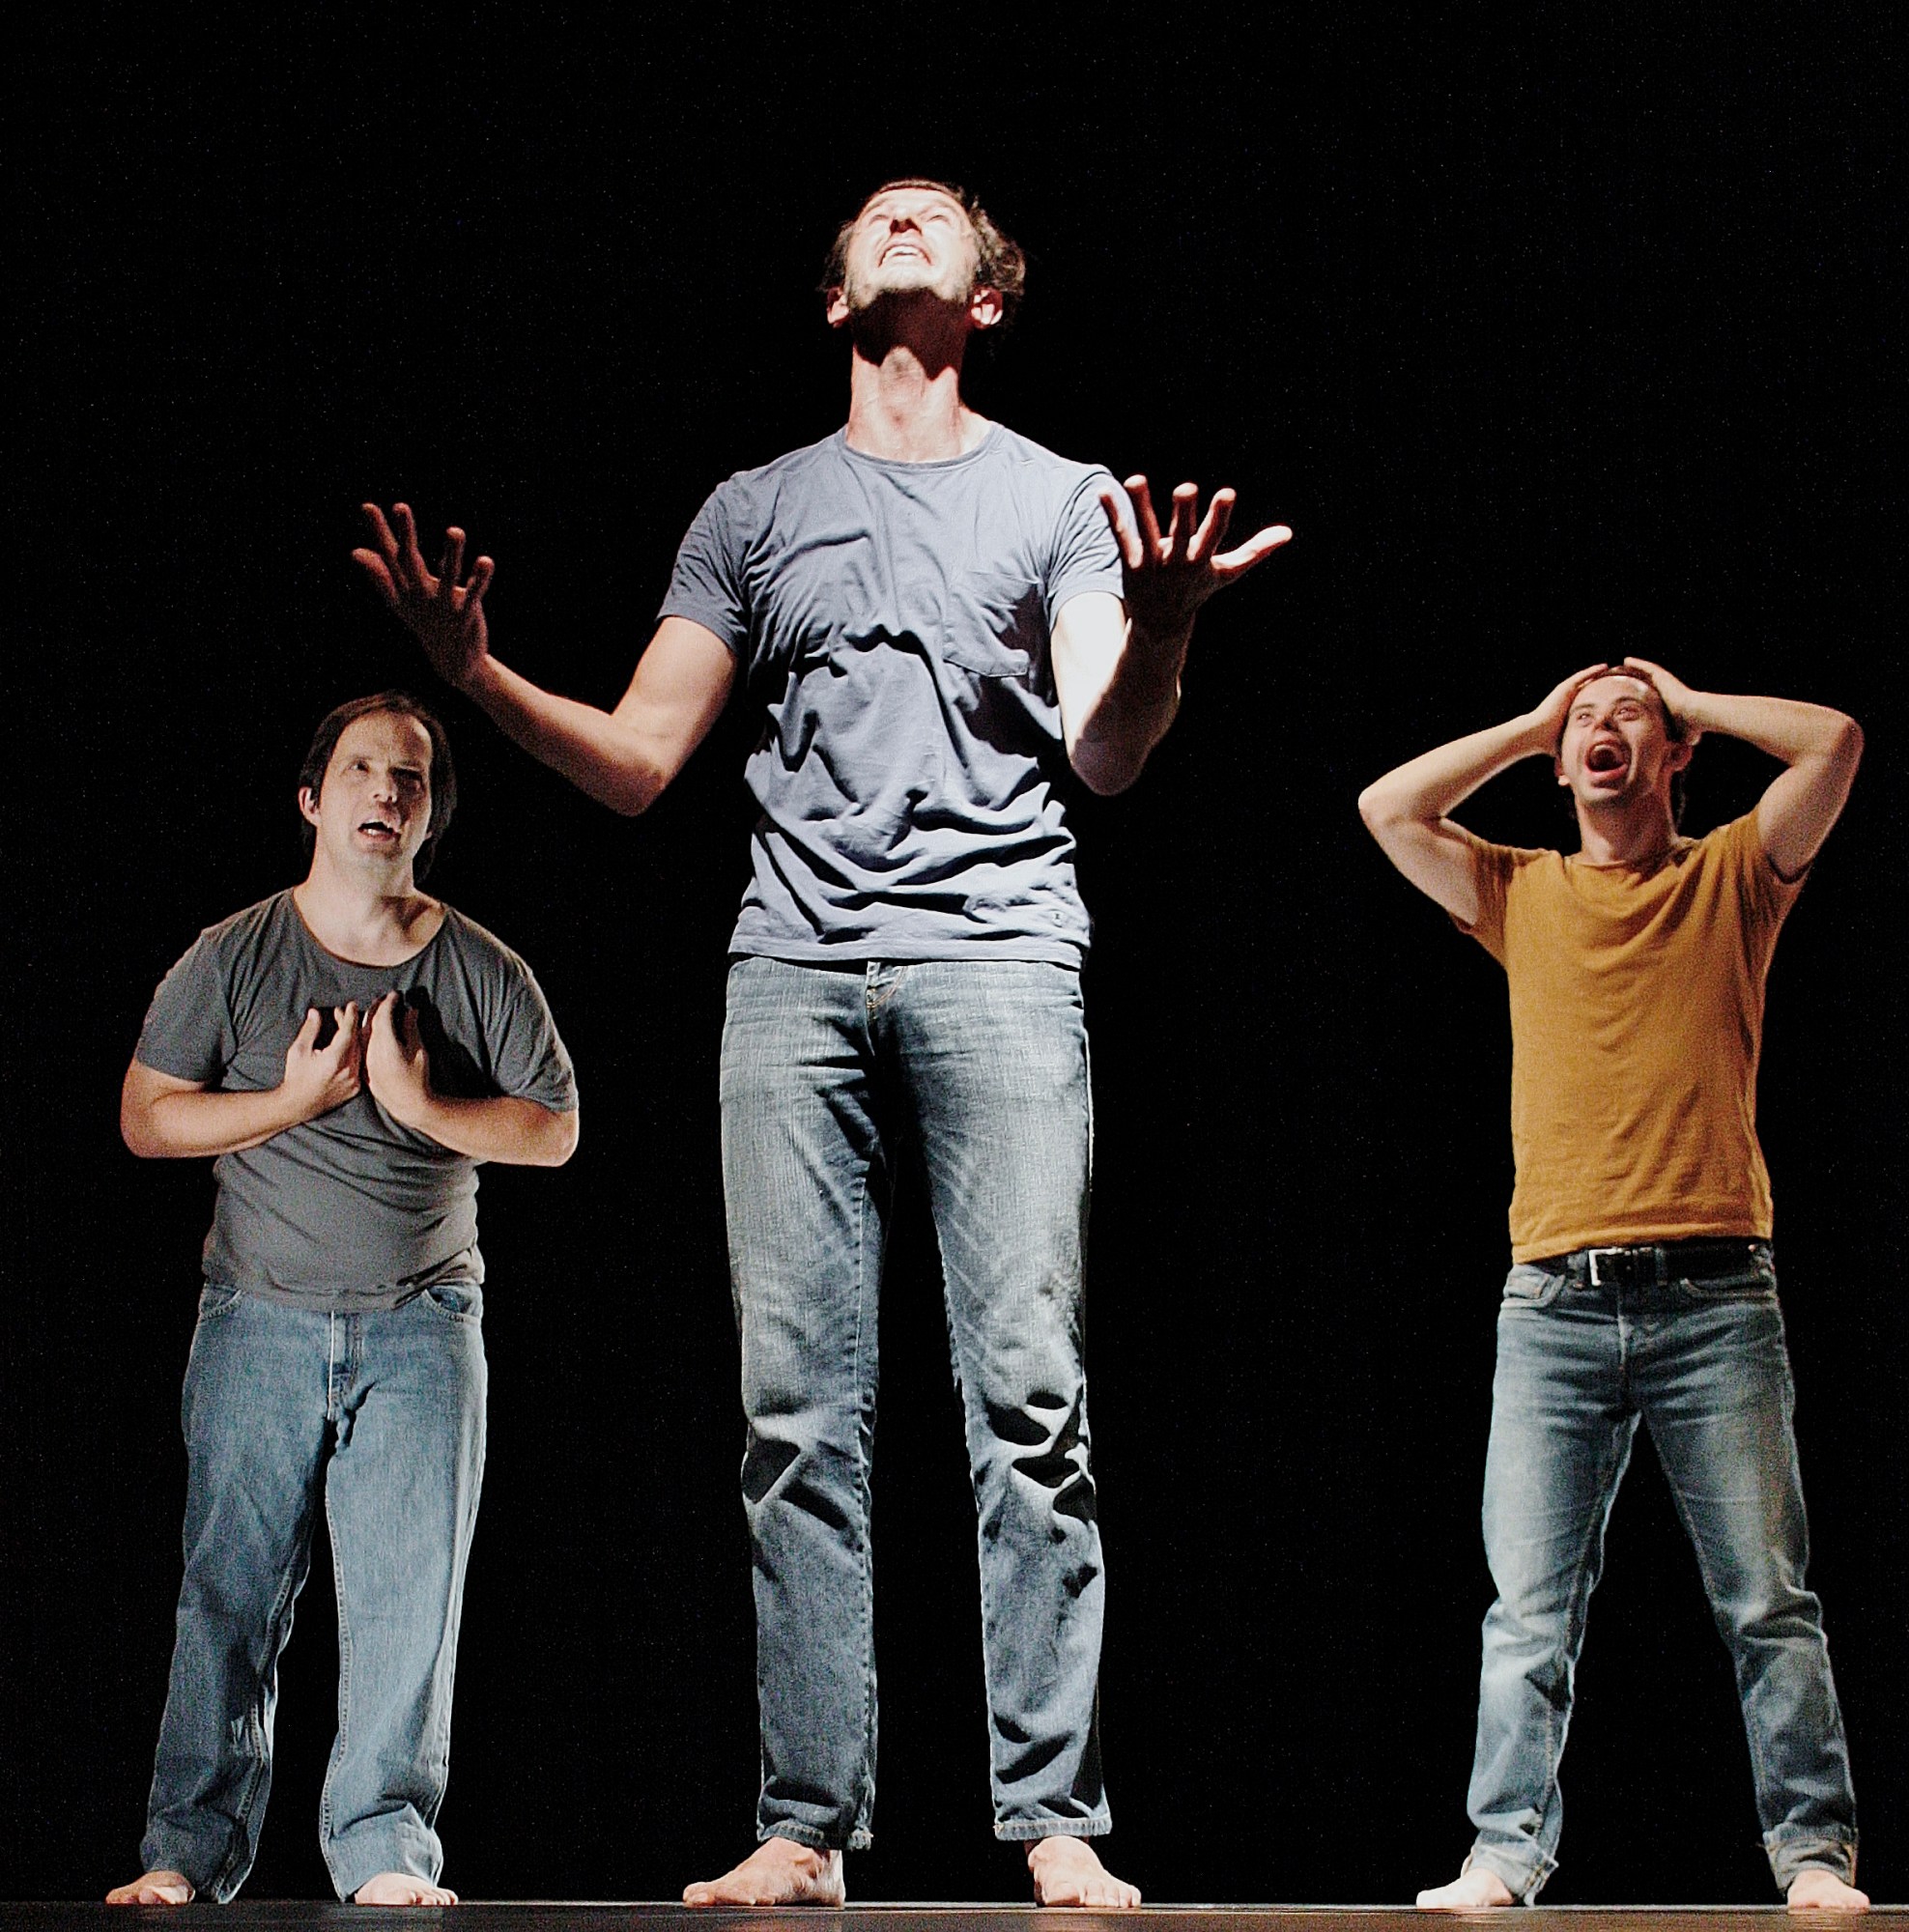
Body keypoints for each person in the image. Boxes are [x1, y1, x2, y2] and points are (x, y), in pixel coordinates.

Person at [354, 178, 1290, 1907]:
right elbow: (641, 759)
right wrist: (474, 675)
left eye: (936, 219)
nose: (903, 224)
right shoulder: (757, 510)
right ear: (838, 294)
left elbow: (1107, 753)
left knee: (1030, 1400)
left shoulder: (1062, 500)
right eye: (877, 219)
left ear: (988, 297)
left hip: (1000, 960)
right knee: (794, 1417)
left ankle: (1054, 1817)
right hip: (792, 974)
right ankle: (806, 1824)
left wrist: (1162, 628)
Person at [1356, 658, 1866, 1911]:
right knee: (1526, 1613)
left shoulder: (1732, 874)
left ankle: (1812, 1849)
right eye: (1585, 718)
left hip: (1716, 1297)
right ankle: (1502, 1851)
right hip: (1554, 1303)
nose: (1602, 727)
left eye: (1625, 713)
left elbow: (1834, 741)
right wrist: (1533, 723)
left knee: (1767, 1601)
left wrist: (1687, 698)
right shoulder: (1518, 888)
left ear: (1674, 748)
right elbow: (1387, 808)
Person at [107, 694, 579, 1908]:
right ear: (314, 798)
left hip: (423, 1324)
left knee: (408, 1606)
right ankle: (185, 1850)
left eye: (411, 778)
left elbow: (554, 1127)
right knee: (226, 1594)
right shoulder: (235, 953)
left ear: (429, 814)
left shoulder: (480, 967)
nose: (386, 791)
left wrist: (422, 1108)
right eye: (364, 769)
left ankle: (382, 1852)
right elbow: (146, 1116)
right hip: (256, 1316)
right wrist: (293, 1100)